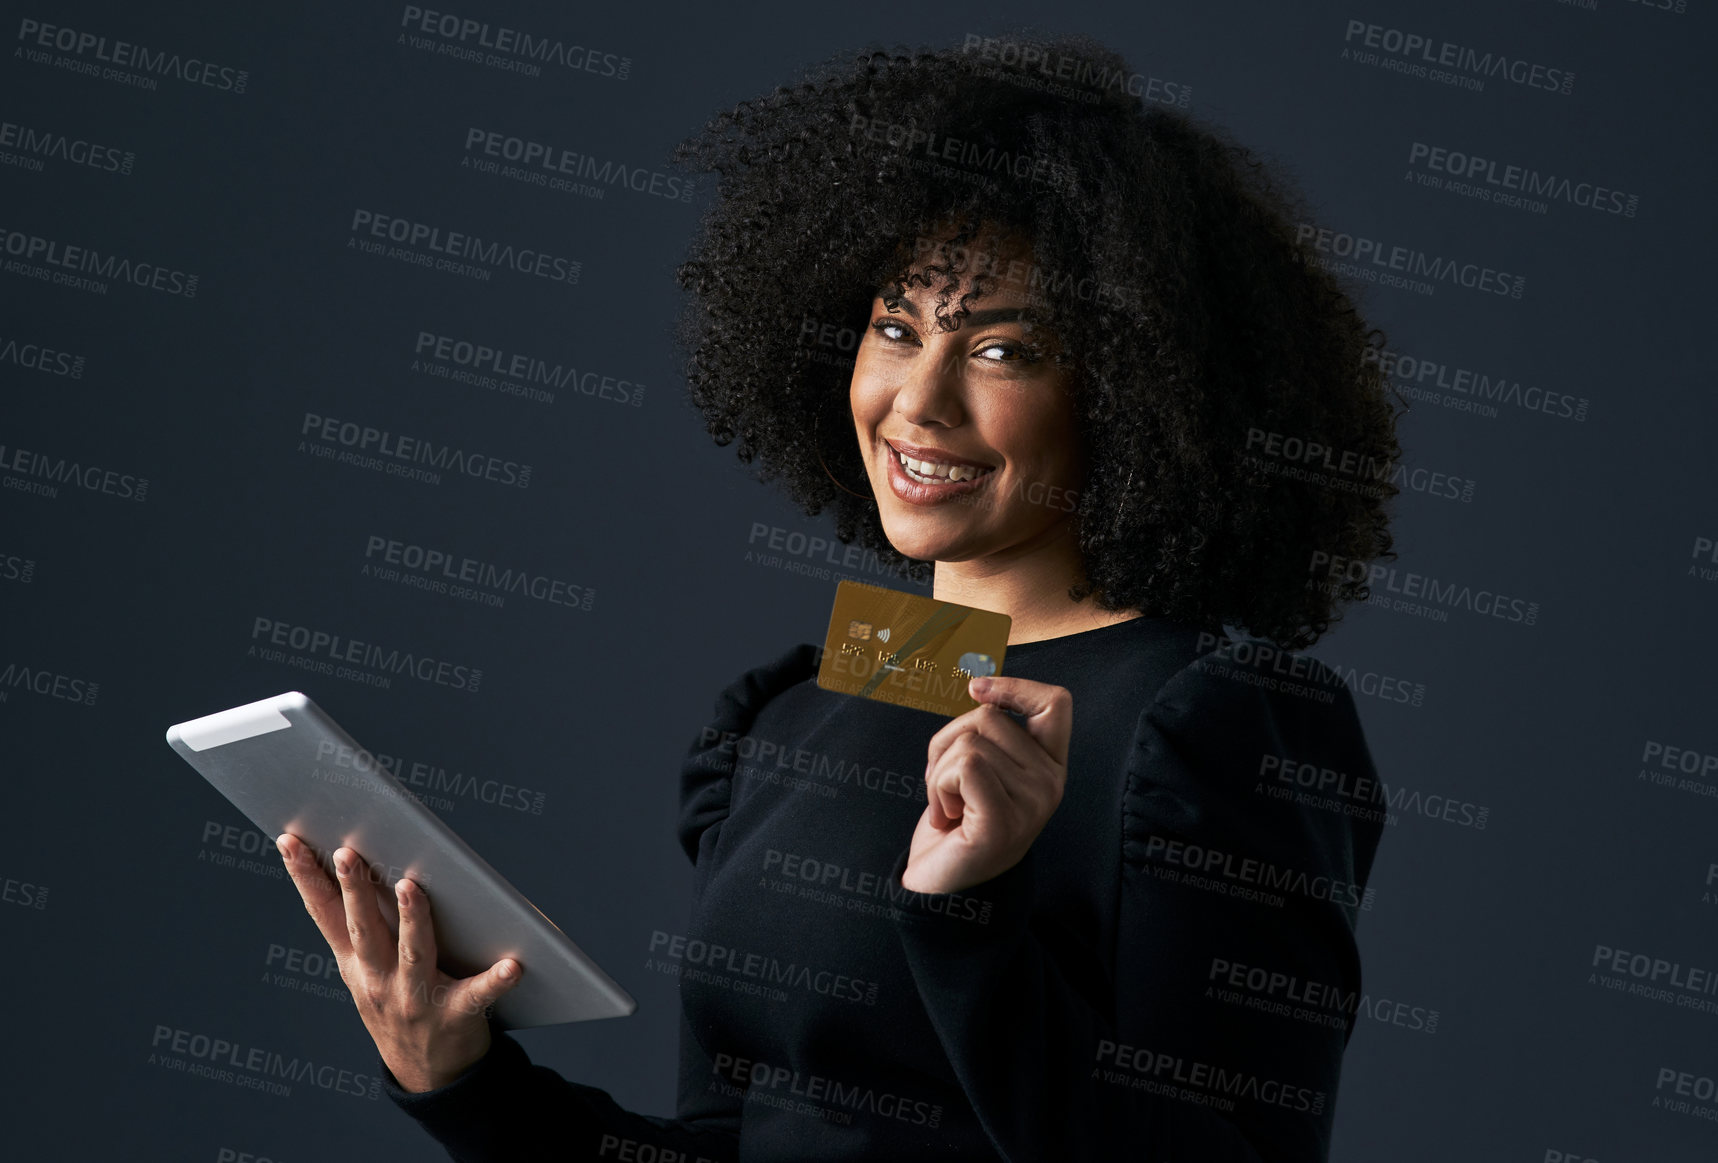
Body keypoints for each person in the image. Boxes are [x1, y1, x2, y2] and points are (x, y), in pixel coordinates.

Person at [276, 29, 1405, 1161]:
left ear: (1138, 389)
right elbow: (735, 1141)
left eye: (1003, 350)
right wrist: (459, 1077)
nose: (920, 400)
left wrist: (966, 916)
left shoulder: (1216, 719)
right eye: (894, 328)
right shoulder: (799, 706)